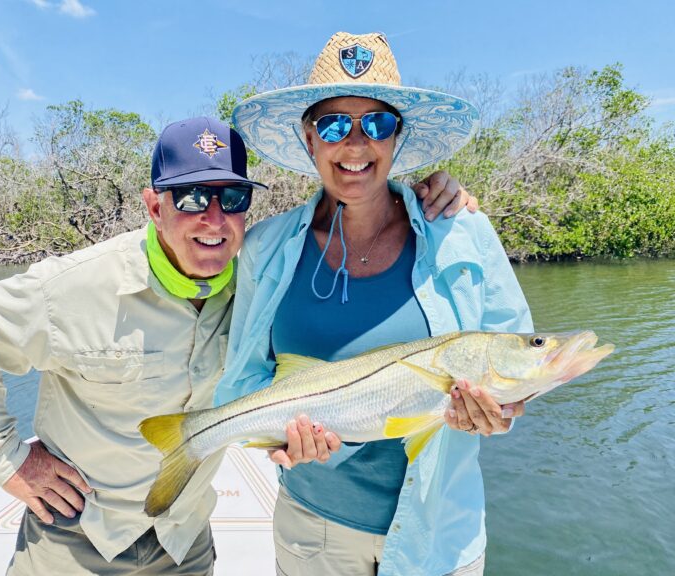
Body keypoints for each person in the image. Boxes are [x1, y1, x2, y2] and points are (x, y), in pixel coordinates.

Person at [0, 114, 472, 575]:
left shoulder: (260, 283)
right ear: (153, 205)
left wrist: (427, 199)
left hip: (184, 542)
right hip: (74, 536)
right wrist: (10, 462)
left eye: (231, 197)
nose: (213, 219)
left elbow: (342, 232)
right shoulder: (72, 287)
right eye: (189, 197)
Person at [214, 32, 534, 576]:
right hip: (313, 530)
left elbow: (516, 366)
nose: (356, 144)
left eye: (377, 124)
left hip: (441, 535)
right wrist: (277, 443)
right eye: (335, 125)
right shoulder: (264, 248)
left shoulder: (464, 232)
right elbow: (245, 378)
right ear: (310, 139)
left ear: (398, 138)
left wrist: (500, 414)